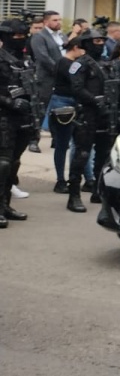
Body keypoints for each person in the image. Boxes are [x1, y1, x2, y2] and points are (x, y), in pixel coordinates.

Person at [65, 29, 112, 213]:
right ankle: (74, 195)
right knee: (82, 154)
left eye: (102, 41)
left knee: (103, 154)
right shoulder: (80, 64)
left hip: (105, 114)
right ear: (86, 43)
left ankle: (98, 191)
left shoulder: (106, 63)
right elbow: (76, 88)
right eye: (96, 41)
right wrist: (95, 101)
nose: (100, 44)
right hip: (87, 113)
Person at [0, 19, 36, 228]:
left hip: (24, 117)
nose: (20, 39)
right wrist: (11, 102)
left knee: (14, 163)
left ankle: (6, 205)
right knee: (3, 163)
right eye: (16, 36)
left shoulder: (25, 60)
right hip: (4, 116)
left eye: (23, 36)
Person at [45, 36, 87, 194]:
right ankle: (60, 180)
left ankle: (82, 178)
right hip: (63, 102)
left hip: (72, 101)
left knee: (78, 143)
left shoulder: (70, 62)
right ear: (75, 47)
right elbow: (75, 81)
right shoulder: (64, 63)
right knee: (62, 144)